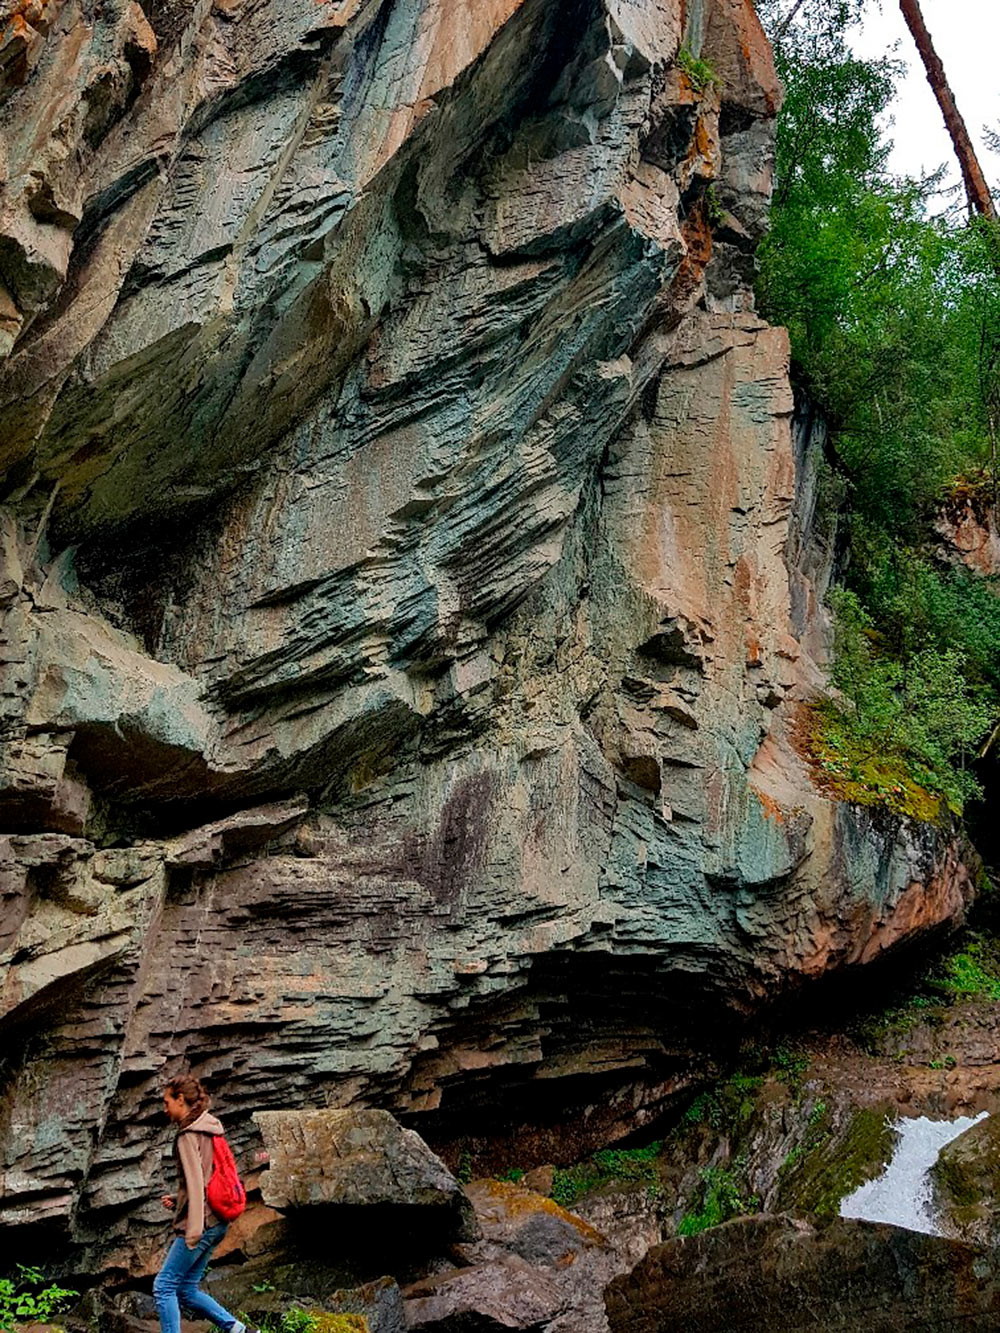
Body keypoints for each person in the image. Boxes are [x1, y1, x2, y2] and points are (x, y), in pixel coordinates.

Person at [153, 1075, 258, 1333]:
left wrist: (193, 1232)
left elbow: (197, 1184)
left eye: (167, 1102)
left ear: (181, 1099)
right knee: (187, 1290)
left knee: (163, 1286)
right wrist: (179, 1199)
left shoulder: (187, 1136)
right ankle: (237, 1330)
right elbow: (209, 1178)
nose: (164, 1109)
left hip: (201, 1223)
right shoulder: (210, 1126)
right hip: (219, 1220)